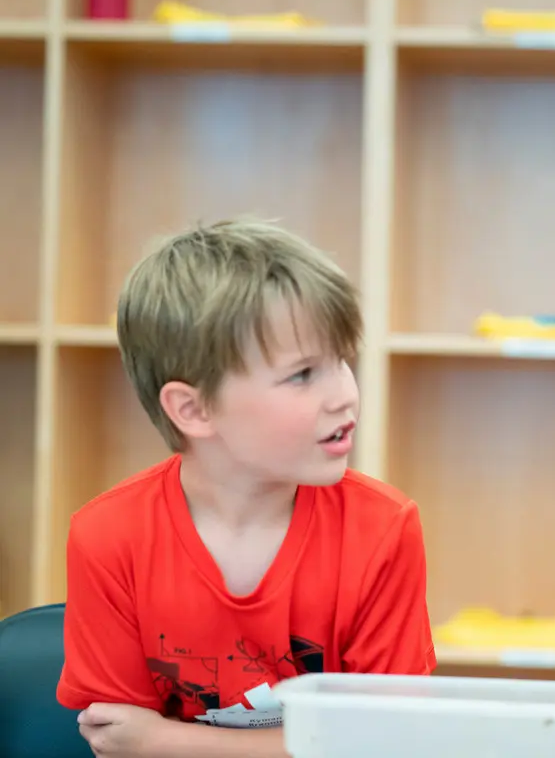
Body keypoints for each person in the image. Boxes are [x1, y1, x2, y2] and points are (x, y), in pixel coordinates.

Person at [56, 219, 436, 757]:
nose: (345, 395)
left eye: (343, 361)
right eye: (304, 374)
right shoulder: (107, 535)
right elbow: (115, 741)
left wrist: (168, 741)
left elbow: (386, 744)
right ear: (193, 408)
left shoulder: (383, 528)